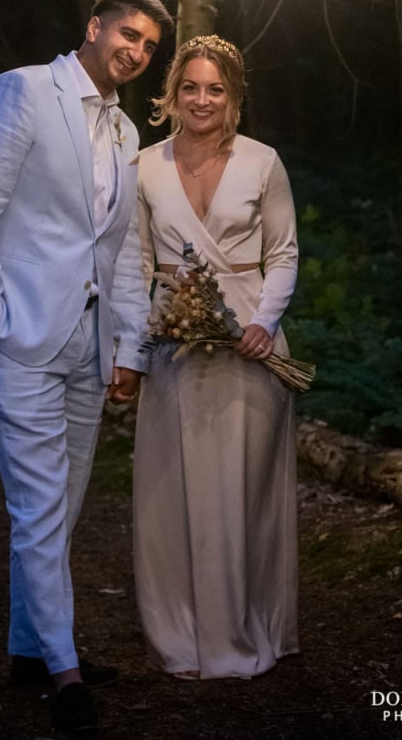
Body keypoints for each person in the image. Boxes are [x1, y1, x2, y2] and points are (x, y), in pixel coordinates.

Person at [0, 0, 172, 733]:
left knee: (63, 504)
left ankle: (27, 647)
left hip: (90, 340)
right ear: (95, 25)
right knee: (39, 506)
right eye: (129, 35)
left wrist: (129, 346)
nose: (136, 52)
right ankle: (65, 670)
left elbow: (124, 250)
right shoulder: (20, 94)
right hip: (20, 336)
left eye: (148, 47)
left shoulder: (125, 134)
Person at [133, 34, 299, 681]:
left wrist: (263, 321)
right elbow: (136, 263)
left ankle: (247, 626)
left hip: (251, 348)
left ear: (233, 97)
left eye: (216, 89)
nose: (201, 99)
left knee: (241, 495)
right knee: (173, 492)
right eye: (190, 87)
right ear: (172, 92)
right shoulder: (143, 166)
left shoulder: (263, 163)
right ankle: (181, 631)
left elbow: (282, 252)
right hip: (173, 345)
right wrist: (137, 341)